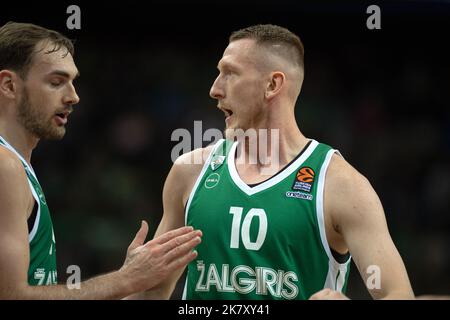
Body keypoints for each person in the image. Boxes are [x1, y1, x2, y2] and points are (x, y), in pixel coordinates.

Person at [144, 24, 414, 300]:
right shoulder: (189, 172)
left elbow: (397, 293)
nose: (215, 89)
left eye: (230, 74)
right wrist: (129, 279)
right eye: (218, 74)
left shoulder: (340, 185)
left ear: (273, 84)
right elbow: (150, 294)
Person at [0, 21, 202, 299]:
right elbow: (11, 296)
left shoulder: (16, 165)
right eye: (56, 82)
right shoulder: (4, 165)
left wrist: (130, 281)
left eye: (73, 82)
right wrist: (125, 279)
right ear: (10, 85)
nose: (73, 96)